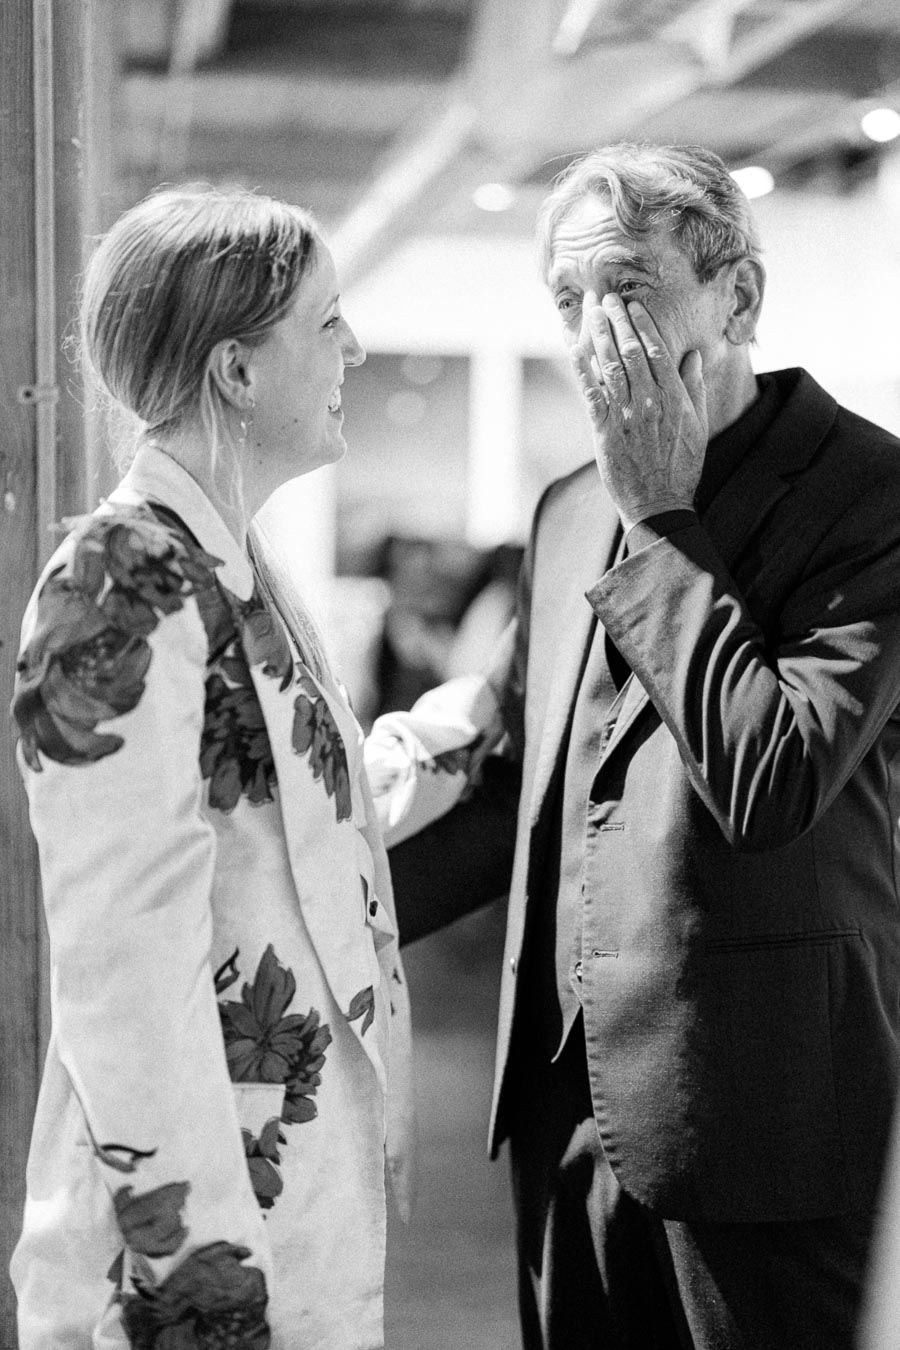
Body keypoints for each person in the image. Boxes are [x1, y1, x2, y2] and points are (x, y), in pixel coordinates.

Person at [366, 142, 900, 1349]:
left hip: (765, 1133)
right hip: (567, 1128)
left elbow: (775, 775)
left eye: (627, 292)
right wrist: (320, 911)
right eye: (569, 302)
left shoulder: (871, 496)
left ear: (739, 299)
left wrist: (662, 515)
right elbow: (519, 797)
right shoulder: (566, 510)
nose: (592, 333)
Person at [10, 185, 413, 1349]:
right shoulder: (119, 579)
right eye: (327, 322)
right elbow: (121, 966)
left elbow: (303, 826)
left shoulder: (235, 567)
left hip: (279, 1201)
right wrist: (202, 1280)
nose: (357, 348)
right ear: (237, 370)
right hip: (192, 1256)